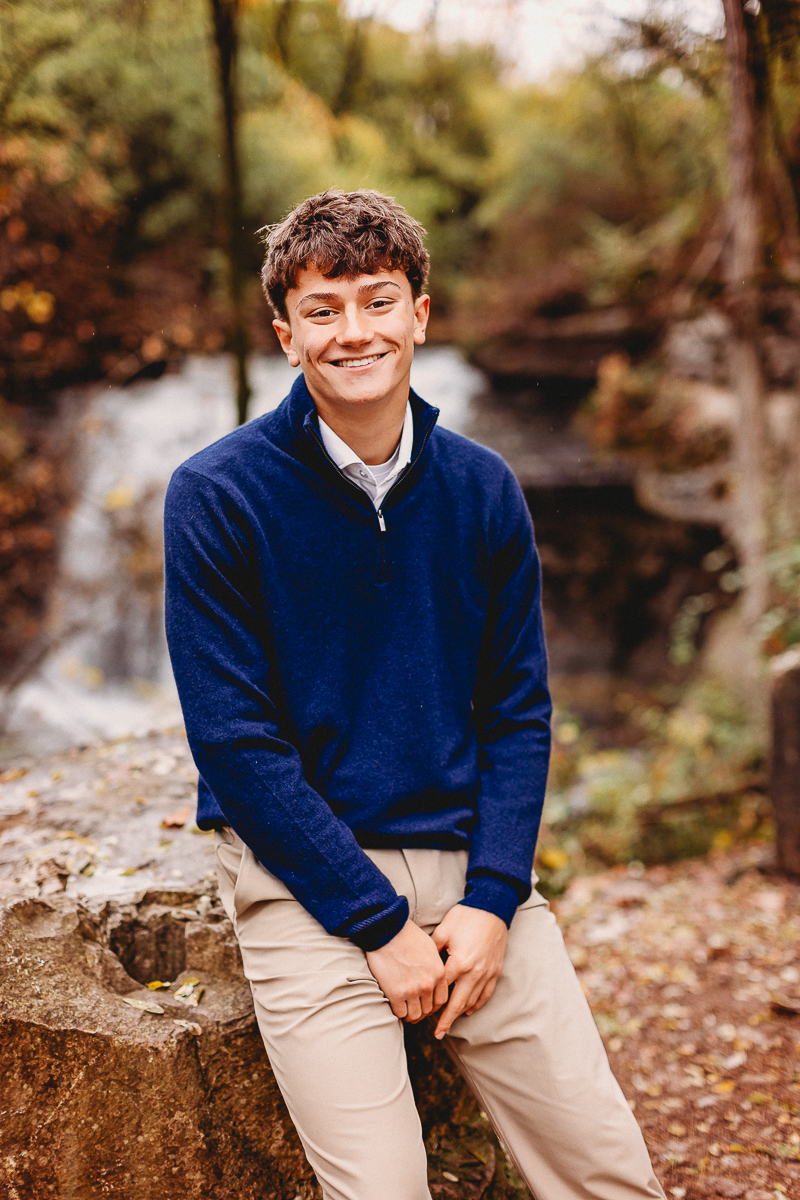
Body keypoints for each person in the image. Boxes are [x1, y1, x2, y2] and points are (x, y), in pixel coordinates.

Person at [164, 188, 665, 1200]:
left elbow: (517, 712)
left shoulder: (482, 489)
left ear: (419, 314)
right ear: (285, 333)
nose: (354, 331)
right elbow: (235, 744)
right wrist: (376, 927)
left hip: (471, 872)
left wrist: (492, 901)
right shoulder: (216, 495)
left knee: (611, 1175)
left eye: (377, 300)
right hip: (308, 889)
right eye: (323, 310)